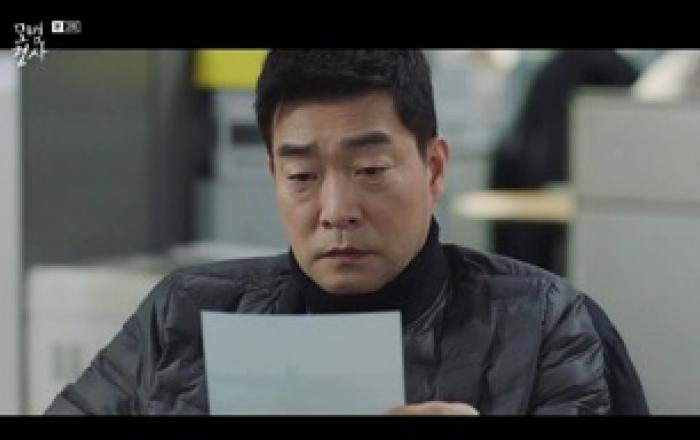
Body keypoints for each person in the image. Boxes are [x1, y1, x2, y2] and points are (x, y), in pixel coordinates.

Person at [46, 50, 613, 415]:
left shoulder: (544, 326)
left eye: (370, 170)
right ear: (274, 176)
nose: (336, 211)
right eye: (303, 176)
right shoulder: (183, 316)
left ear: (434, 168)